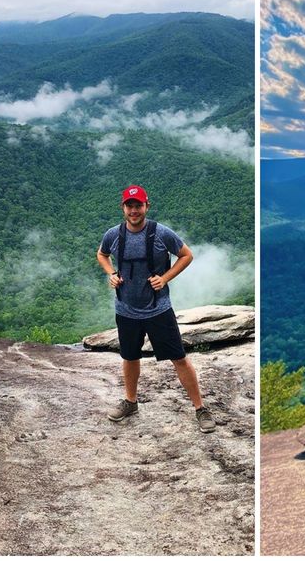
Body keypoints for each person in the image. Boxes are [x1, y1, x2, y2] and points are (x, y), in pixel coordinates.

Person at [96, 184, 216, 433]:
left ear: (146, 206)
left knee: (179, 358)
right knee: (130, 357)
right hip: (126, 309)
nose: (134, 210)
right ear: (123, 208)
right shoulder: (114, 235)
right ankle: (131, 402)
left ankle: (200, 408)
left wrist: (166, 278)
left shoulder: (162, 234)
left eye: (138, 205)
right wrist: (111, 274)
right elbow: (101, 254)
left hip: (159, 309)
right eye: (129, 206)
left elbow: (186, 255)